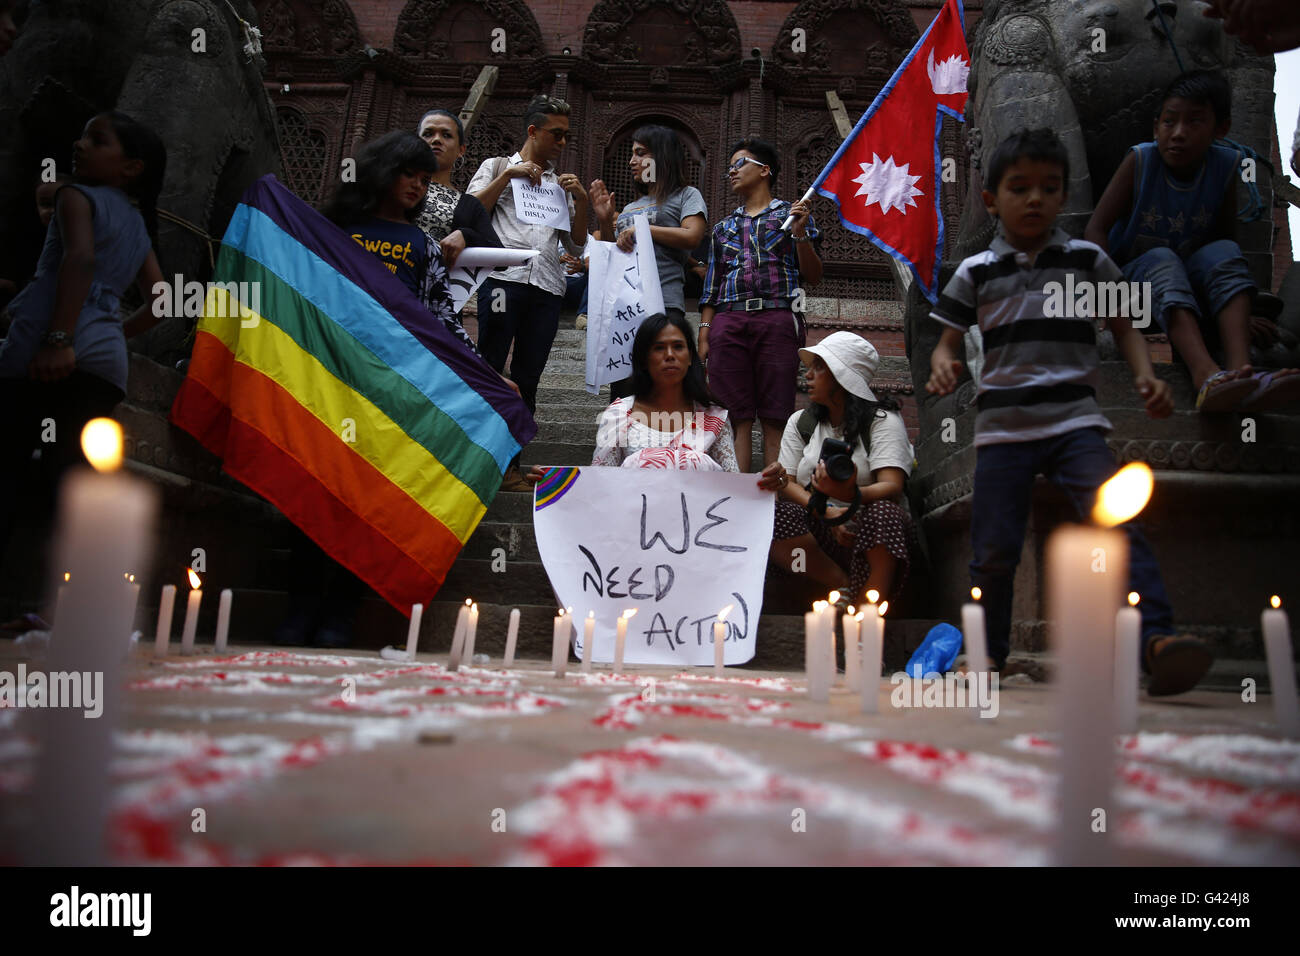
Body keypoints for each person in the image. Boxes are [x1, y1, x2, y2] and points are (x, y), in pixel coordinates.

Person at [927, 127, 1212, 696]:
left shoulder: (1088, 261)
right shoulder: (976, 272)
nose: (1034, 198)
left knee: (1118, 523)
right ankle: (986, 655)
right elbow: (947, 338)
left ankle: (1156, 641)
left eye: (1049, 188)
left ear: (1063, 196)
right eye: (1019, 187)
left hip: (1076, 424)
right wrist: (943, 362)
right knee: (993, 549)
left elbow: (1125, 327)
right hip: (1003, 432)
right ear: (991, 199)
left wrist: (1146, 374)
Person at [0, 112, 167, 583]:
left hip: (48, 347)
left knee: (9, 464)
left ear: (132, 167)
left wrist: (60, 338)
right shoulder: (136, 222)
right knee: (68, 478)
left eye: (97, 140)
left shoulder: (73, 195)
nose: (80, 144)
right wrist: (111, 333)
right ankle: (51, 600)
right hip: (102, 363)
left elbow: (80, 258)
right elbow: (161, 300)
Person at [1085, 69, 1300, 411]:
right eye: (1169, 122)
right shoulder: (1141, 160)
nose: (1178, 133)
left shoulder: (1226, 165)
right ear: (1156, 127)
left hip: (1190, 287)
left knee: (1225, 252)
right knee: (1162, 259)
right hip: (1137, 289)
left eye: (1194, 122)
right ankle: (1205, 374)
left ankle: (1241, 371)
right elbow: (1096, 229)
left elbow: (1224, 242)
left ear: (1221, 128)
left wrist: (1241, 310)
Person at [469, 94, 589, 489]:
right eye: (557, 134)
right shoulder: (496, 166)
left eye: (567, 136)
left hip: (548, 289)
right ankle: (474, 463)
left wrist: (582, 201)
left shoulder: (559, 185)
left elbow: (575, 245)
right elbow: (468, 215)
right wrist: (507, 178)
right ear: (533, 131)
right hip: (504, 281)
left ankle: (510, 466)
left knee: (528, 377)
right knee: (488, 370)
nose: (563, 143)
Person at [526, 311, 787, 487]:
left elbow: (732, 488)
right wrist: (555, 485)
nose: (670, 355)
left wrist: (769, 482)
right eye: (659, 348)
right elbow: (601, 483)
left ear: (690, 357)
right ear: (643, 359)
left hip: (699, 540)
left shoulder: (714, 418)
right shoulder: (619, 415)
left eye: (678, 346)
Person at [698, 137, 822, 472]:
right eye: (730, 168)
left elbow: (813, 275)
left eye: (739, 164)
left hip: (779, 316)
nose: (732, 172)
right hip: (729, 321)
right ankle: (738, 501)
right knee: (734, 415)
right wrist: (705, 332)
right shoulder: (723, 228)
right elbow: (712, 285)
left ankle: (773, 505)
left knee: (774, 414)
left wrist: (799, 234)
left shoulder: (793, 215)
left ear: (764, 170)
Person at [769, 332, 916, 607]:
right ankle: (841, 584)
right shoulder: (802, 423)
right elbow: (787, 482)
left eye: (819, 367)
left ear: (842, 377)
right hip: (819, 536)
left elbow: (891, 485)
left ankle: (867, 610)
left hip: (871, 530)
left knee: (884, 514)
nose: (808, 375)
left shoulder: (882, 421)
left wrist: (849, 499)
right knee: (773, 515)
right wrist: (826, 511)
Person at [321, 129, 477, 358]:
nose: (418, 185)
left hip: (391, 360)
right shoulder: (335, 229)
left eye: (425, 180)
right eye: (409, 174)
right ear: (383, 171)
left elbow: (443, 317)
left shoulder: (425, 246)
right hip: (332, 348)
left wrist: (486, 373)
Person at [588, 125, 708, 398]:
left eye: (640, 153)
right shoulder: (630, 207)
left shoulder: (686, 195)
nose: (632, 161)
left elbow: (692, 236)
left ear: (661, 157)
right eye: (632, 154)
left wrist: (645, 230)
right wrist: (606, 221)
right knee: (625, 388)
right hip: (627, 309)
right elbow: (612, 255)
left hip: (664, 304)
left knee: (667, 388)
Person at [414, 108, 500, 267]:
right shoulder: (392, 186)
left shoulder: (469, 204)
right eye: (428, 134)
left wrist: (466, 236)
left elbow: (498, 255)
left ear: (461, 150)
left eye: (446, 135)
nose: (436, 140)